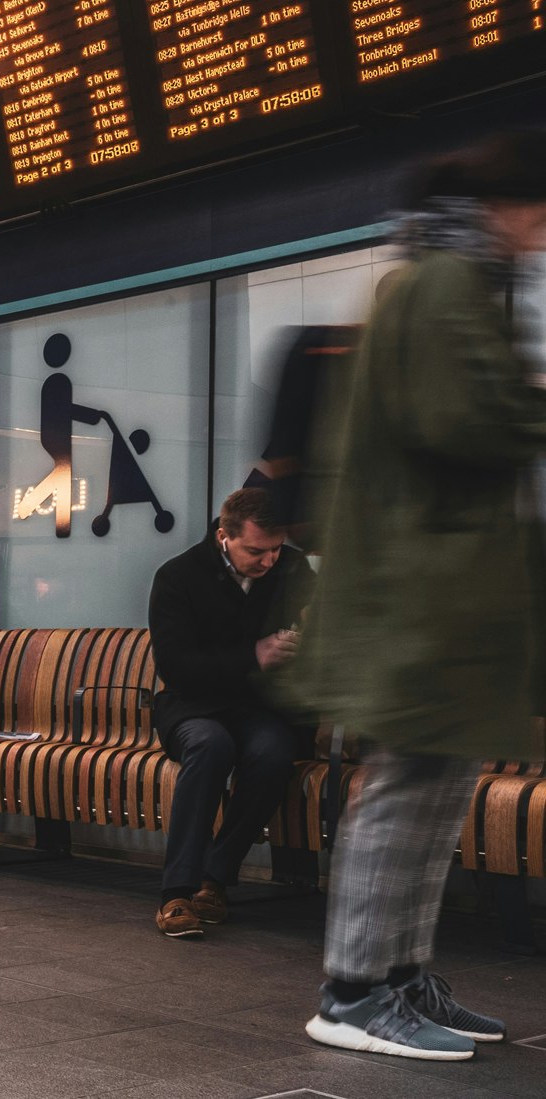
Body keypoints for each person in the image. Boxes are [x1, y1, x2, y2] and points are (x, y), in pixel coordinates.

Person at [291, 132, 546, 1062]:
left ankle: (398, 975)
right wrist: (534, 396)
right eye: (536, 210)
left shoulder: (451, 279)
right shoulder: (442, 283)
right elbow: (461, 418)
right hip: (420, 585)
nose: (542, 231)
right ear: (503, 207)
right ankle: (353, 990)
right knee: (405, 791)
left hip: (439, 584)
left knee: (434, 789)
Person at [145, 487, 313, 939]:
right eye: (257, 551)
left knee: (275, 754)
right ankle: (176, 893)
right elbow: (176, 669)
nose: (269, 561)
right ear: (224, 536)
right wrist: (252, 656)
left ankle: (214, 880)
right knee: (210, 745)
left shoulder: (293, 570)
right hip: (191, 704)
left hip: (258, 707)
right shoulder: (178, 576)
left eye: (277, 549)